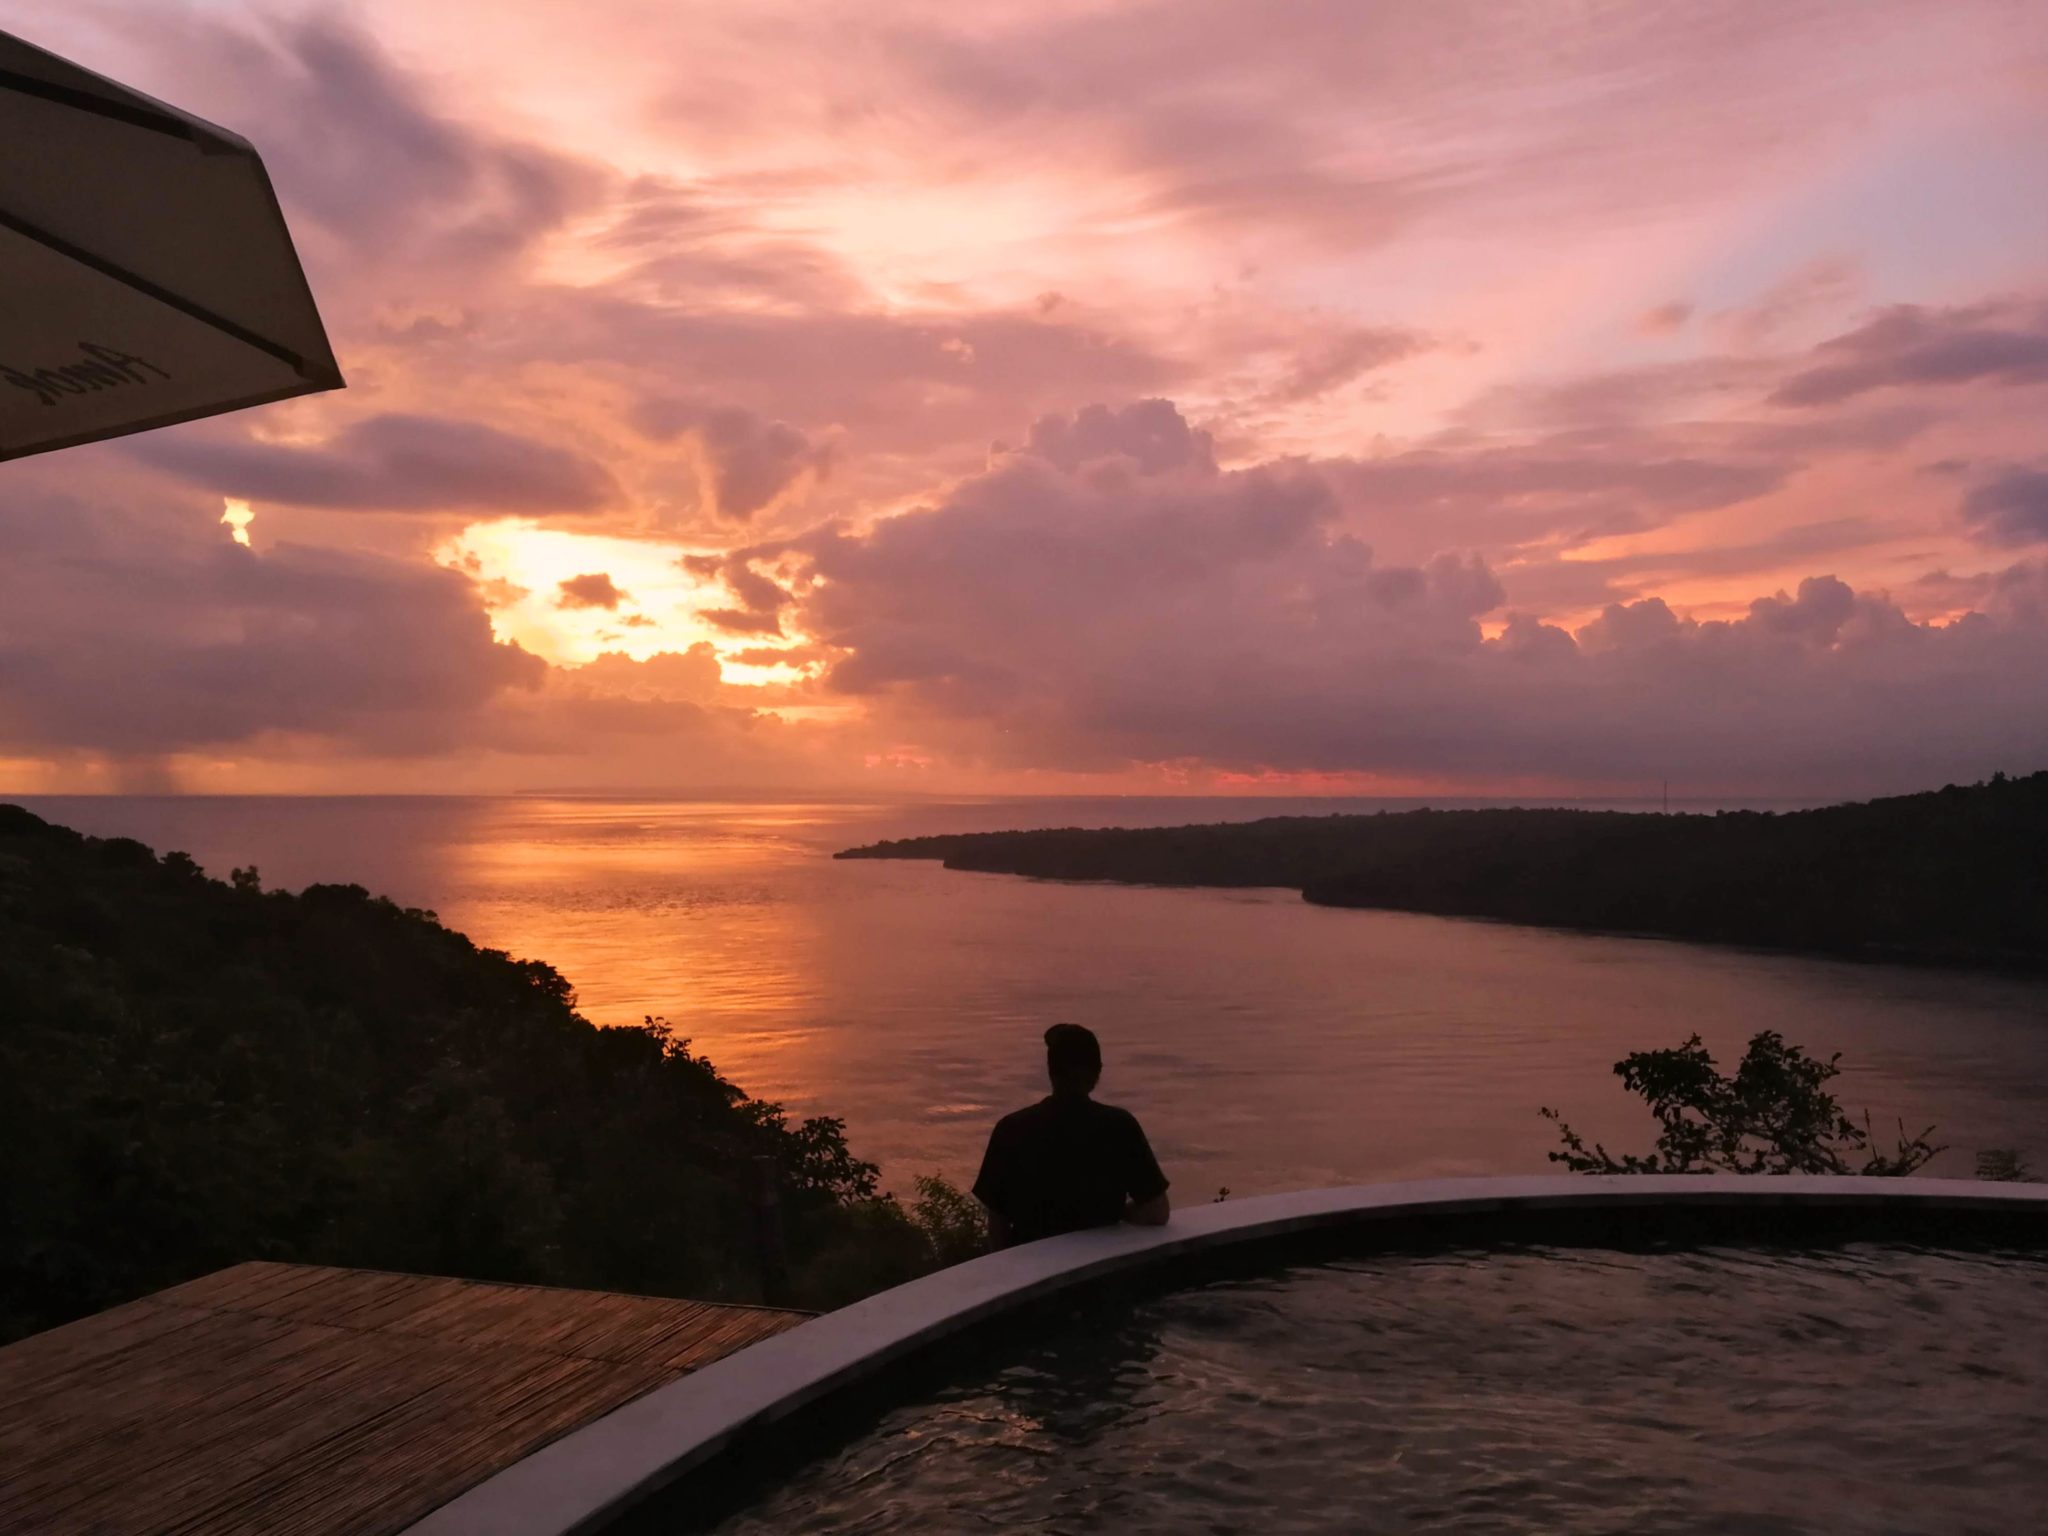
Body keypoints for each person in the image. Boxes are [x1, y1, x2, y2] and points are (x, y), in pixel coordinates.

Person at [972, 1023, 1170, 1248]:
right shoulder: (1120, 1126)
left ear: (1050, 1072)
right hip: (1102, 1270)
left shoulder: (1010, 1129)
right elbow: (1157, 1212)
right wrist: (1120, 1213)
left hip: (1033, 1271)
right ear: (1097, 1073)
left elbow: (997, 1228)